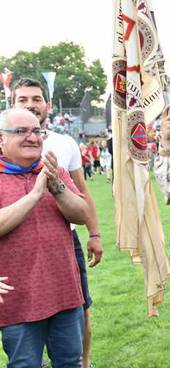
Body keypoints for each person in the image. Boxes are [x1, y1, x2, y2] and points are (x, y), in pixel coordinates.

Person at [12, 78, 104, 368]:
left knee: (79, 308)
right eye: (23, 99)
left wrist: (95, 233)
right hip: (17, 247)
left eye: (36, 99)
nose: (30, 104)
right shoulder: (5, 147)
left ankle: (82, 363)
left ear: (47, 105)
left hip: (66, 240)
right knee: (25, 326)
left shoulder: (63, 144)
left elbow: (82, 192)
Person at [0, 108, 90, 367]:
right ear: (1, 139)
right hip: (19, 301)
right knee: (25, 364)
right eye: (21, 131)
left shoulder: (53, 171)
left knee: (70, 362)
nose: (32, 137)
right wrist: (35, 196)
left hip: (65, 294)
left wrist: (57, 188)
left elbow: (82, 215)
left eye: (37, 131)